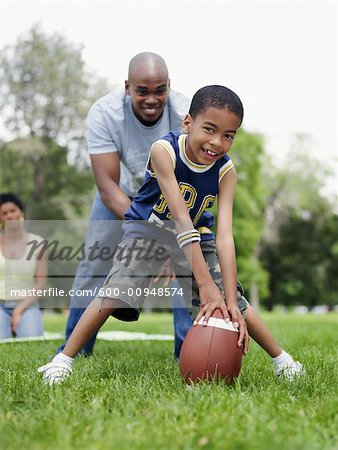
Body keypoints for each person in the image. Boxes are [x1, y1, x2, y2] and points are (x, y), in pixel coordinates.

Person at [39, 85, 302, 384]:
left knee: (238, 304)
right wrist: (205, 287)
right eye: (210, 129)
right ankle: (62, 361)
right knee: (116, 289)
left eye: (228, 135)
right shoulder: (164, 151)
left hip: (197, 234)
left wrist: (228, 300)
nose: (217, 142)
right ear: (187, 123)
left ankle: (284, 362)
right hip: (148, 229)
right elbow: (179, 219)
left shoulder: (226, 172)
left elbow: (225, 237)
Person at [57, 52, 192, 358]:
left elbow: (191, 180)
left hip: (175, 197)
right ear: (128, 87)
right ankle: (74, 350)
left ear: (169, 86)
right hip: (121, 194)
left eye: (160, 90)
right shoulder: (105, 113)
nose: (152, 99)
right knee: (95, 265)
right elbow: (107, 187)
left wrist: (176, 239)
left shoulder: (186, 113)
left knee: (188, 265)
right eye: (142, 90)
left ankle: (188, 352)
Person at [0, 193, 47, 339]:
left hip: (27, 304)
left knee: (31, 338)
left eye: (13, 211)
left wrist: (19, 310)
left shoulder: (38, 243)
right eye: (4, 213)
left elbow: (41, 283)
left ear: (21, 212)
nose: (9, 216)